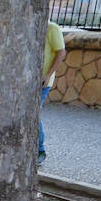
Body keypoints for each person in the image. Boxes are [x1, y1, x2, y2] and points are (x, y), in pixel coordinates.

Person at [38, 20, 65, 166]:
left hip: (42, 81)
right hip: (27, 80)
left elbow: (61, 52)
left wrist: (48, 75)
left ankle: (40, 150)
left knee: (34, 114)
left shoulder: (52, 28)